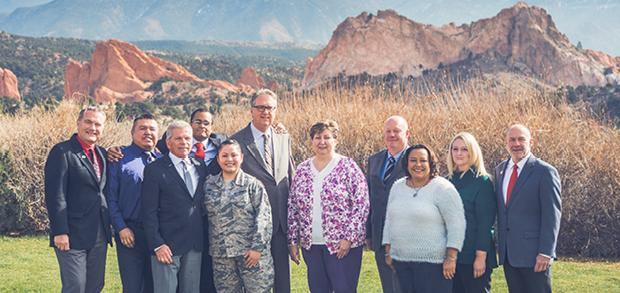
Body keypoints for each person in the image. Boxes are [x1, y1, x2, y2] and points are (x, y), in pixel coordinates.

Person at [288, 120, 369, 293]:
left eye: (327, 137)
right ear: (311, 141)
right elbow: (293, 207)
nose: (322, 142)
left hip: (342, 246)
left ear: (336, 140)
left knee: (343, 289)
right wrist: (293, 241)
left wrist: (349, 238)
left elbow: (361, 204)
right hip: (312, 245)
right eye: (317, 137)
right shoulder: (302, 170)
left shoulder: (348, 167)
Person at [230, 89, 295, 293]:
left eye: (270, 108)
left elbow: (290, 179)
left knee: (283, 284)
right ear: (251, 110)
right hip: (251, 227)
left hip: (280, 225)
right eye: (261, 107)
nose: (266, 112)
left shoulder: (283, 138)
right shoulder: (237, 141)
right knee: (255, 284)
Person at [44, 106, 112, 293]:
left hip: (99, 232)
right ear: (78, 123)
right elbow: (55, 195)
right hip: (71, 233)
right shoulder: (62, 152)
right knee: (76, 285)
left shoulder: (103, 154)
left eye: (98, 124)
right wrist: (60, 231)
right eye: (88, 122)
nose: (93, 127)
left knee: (95, 286)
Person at [383, 144, 465, 293]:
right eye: (413, 160)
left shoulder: (443, 188)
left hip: (433, 265)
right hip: (401, 262)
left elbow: (457, 224)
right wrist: (388, 251)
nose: (418, 165)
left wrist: (451, 258)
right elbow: (389, 220)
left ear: (430, 163)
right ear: (406, 163)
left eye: (423, 160)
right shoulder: (397, 187)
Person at [141, 121, 206, 293]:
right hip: (167, 246)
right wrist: (157, 244)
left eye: (187, 138)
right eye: (178, 139)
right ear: (168, 142)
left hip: (194, 244)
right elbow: (148, 211)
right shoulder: (154, 169)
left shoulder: (200, 166)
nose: (184, 142)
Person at [495, 124, 561, 293]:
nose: (516, 143)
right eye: (512, 139)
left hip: (535, 256)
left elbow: (552, 215)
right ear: (506, 143)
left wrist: (546, 252)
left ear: (531, 142)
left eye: (521, 139)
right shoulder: (500, 170)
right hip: (509, 254)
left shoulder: (545, 171)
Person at [202, 139, 274, 293]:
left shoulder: (252, 185)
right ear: (218, 159)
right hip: (222, 256)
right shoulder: (209, 185)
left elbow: (264, 218)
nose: (229, 160)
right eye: (225, 155)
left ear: (241, 157)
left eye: (234, 155)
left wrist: (257, 248)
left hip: (250, 255)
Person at [106, 114, 161, 293]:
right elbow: (110, 198)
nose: (148, 132)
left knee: (155, 286)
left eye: (152, 129)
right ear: (132, 132)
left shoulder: (163, 161)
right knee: (133, 286)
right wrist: (121, 227)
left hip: (159, 234)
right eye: (142, 128)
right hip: (130, 232)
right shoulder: (119, 158)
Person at [446, 132, 497, 293]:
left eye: (464, 149)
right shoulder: (447, 180)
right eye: (455, 149)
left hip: (474, 256)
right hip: (451, 255)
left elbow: (485, 224)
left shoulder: (482, 182)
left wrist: (480, 257)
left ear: (473, 152)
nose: (459, 153)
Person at [365, 115, 410, 293]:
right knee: (388, 287)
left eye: (396, 131)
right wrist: (369, 232)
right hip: (380, 236)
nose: (392, 135)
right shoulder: (375, 160)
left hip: (407, 237)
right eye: (388, 131)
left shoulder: (416, 159)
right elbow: (370, 199)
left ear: (407, 133)